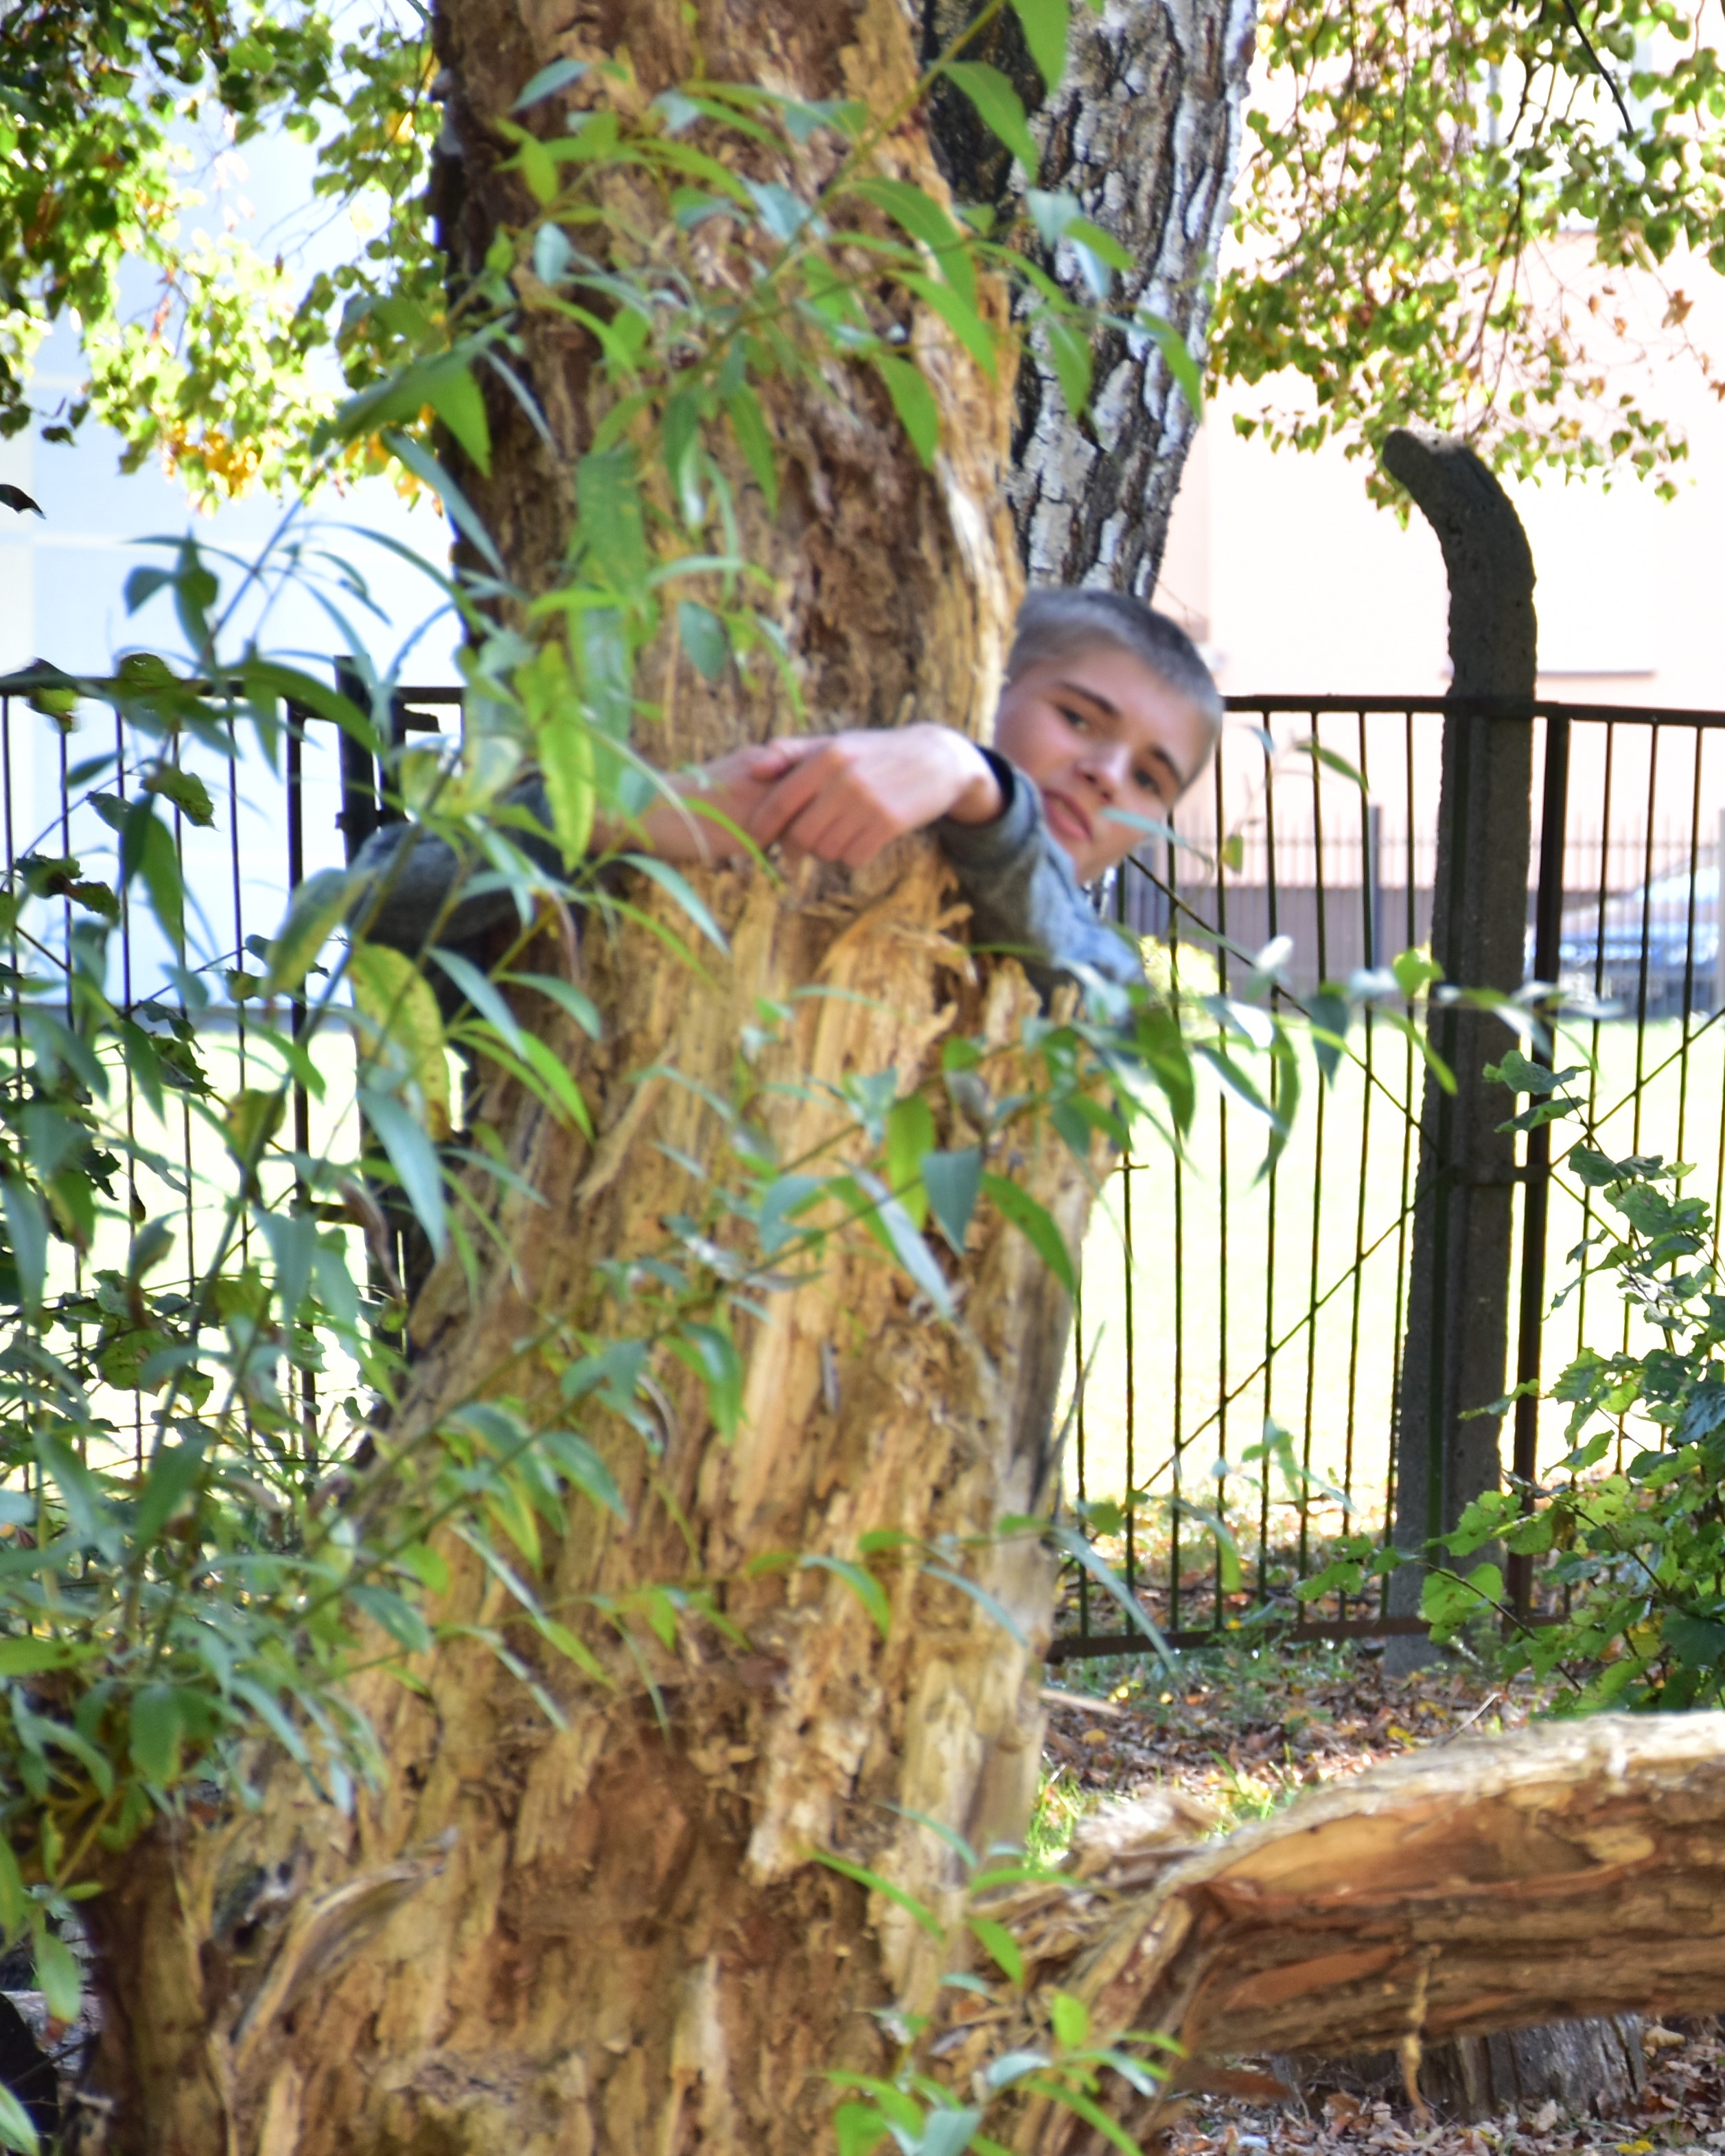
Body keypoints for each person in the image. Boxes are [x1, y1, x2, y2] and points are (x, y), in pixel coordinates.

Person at [355, 587, 1223, 999]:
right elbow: (365, 902)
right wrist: (622, 817)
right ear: (981, 681)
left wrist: (975, 779)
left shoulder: (1104, 974)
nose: (1108, 773)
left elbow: (1070, 962)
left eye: (1149, 777)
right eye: (1078, 718)